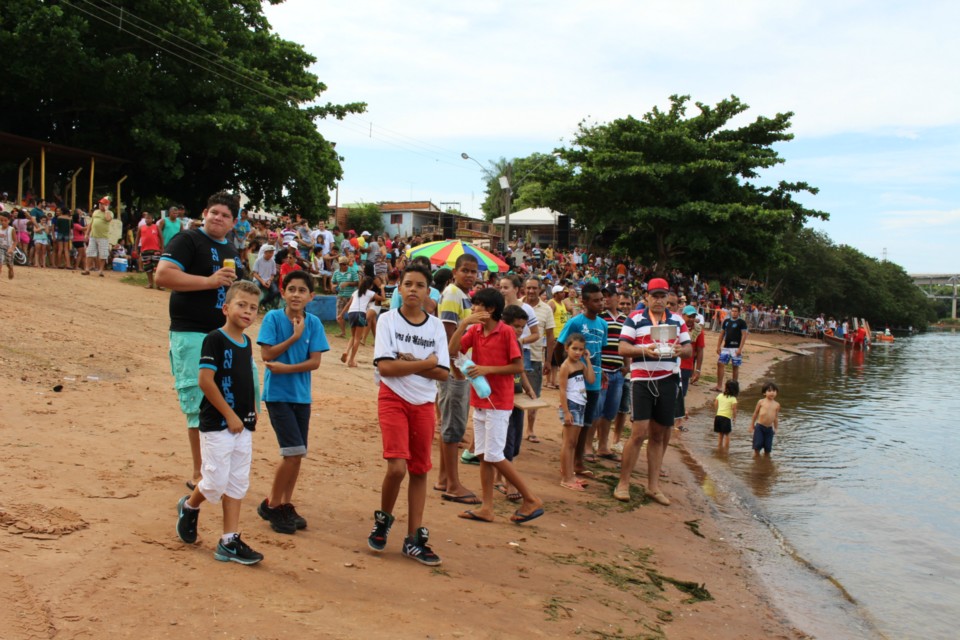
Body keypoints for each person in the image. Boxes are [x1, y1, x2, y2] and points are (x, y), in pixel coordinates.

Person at [156, 192, 242, 491]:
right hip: (191, 333)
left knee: (228, 400)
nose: (218, 218)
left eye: (225, 215)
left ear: (233, 222)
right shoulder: (188, 240)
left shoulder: (231, 248)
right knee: (199, 402)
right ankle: (199, 473)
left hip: (224, 337)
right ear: (204, 213)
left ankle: (217, 469)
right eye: (214, 212)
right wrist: (209, 281)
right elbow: (163, 275)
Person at [175, 280, 262, 565]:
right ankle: (189, 506)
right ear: (226, 308)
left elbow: (245, 378)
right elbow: (205, 380)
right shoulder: (214, 338)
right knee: (213, 481)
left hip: (243, 424)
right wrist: (229, 414)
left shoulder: (246, 342)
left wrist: (251, 410)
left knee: (237, 482)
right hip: (217, 424)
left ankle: (229, 541)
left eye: (253, 308)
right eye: (241, 305)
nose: (247, 312)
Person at [368, 263, 450, 566]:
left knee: (419, 470)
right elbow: (386, 368)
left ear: (428, 292)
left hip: (424, 403)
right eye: (407, 284)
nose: (413, 289)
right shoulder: (388, 320)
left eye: (419, 285)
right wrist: (424, 363)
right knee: (397, 468)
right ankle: (383, 519)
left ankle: (413, 538)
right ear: (398, 289)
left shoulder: (436, 326)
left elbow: (443, 373)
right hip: (393, 398)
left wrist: (410, 361)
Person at [449, 288, 544, 524]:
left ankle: (530, 498)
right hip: (481, 400)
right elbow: (452, 351)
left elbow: (518, 367)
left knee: (493, 454)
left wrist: (486, 369)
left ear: (490, 309)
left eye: (477, 305)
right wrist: (463, 325)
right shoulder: (476, 330)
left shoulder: (505, 333)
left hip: (498, 402)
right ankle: (487, 507)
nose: (473, 310)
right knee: (483, 455)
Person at [256, 270, 328, 534]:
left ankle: (284, 503)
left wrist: (285, 368)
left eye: (302, 290)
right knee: (292, 452)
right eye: (292, 289)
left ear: (311, 296)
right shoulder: (274, 318)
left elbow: (315, 362)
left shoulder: (315, 324)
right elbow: (267, 354)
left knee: (298, 454)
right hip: (278, 395)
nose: (296, 294)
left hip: (301, 396)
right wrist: (294, 337)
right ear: (283, 292)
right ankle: (273, 504)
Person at [613, 277, 691, 506]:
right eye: (654, 295)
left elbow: (688, 349)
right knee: (638, 433)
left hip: (668, 380)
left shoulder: (677, 320)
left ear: (668, 298)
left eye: (662, 295)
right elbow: (622, 348)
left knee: (658, 435)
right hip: (642, 379)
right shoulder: (635, 318)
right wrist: (644, 350)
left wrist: (679, 349)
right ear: (646, 296)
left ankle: (653, 487)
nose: (658, 300)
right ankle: (623, 483)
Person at [435, 254, 481, 504]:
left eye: (474, 271)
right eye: (465, 270)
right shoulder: (453, 293)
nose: (470, 275)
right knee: (453, 428)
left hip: (458, 369)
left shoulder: (461, 295)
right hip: (456, 370)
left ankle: (444, 478)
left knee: (451, 428)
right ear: (455, 271)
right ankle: (452, 484)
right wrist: (457, 372)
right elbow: (448, 335)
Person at [555, 283, 607, 478]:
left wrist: (602, 372)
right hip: (575, 383)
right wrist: (564, 370)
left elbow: (599, 351)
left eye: (601, 300)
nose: (600, 303)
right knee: (571, 424)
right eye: (595, 300)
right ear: (584, 302)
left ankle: (578, 461)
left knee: (586, 422)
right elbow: (560, 345)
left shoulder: (603, 324)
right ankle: (567, 463)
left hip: (593, 380)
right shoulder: (575, 322)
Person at [594, 287, 630, 460]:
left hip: (617, 371)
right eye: (604, 297)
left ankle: (602, 446)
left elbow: (627, 342)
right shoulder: (600, 318)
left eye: (609, 296)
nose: (606, 300)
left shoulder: (625, 319)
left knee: (609, 411)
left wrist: (627, 366)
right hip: (602, 369)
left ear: (617, 297)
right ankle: (589, 446)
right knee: (597, 409)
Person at [557, 333, 595, 491]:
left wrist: (588, 360)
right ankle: (566, 477)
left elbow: (591, 379)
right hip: (571, 405)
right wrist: (566, 411)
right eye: (574, 349)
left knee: (573, 443)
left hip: (580, 403)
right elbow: (562, 389)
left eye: (581, 349)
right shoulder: (566, 366)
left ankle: (570, 473)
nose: (578, 352)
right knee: (569, 443)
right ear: (567, 348)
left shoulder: (580, 364)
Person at [522, 277, 555, 443]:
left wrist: (548, 360)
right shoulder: (517, 304)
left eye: (534, 288)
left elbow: (550, 336)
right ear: (524, 288)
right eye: (528, 288)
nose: (531, 291)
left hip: (535, 357)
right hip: (515, 358)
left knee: (533, 394)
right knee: (514, 392)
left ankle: (530, 429)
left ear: (539, 290)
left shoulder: (546, 309)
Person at [341, 275, 382, 367]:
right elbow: (382, 299)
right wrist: (381, 288)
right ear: (370, 285)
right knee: (357, 338)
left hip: (351, 313)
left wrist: (341, 314)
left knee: (352, 336)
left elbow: (348, 304)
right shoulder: (371, 293)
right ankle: (351, 360)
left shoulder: (355, 292)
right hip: (361, 314)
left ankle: (346, 351)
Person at [714, 303, 749, 391]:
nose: (734, 313)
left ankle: (734, 387)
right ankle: (719, 385)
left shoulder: (742, 322)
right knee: (720, 363)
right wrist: (718, 346)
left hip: (736, 347)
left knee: (735, 366)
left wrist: (740, 349)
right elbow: (722, 334)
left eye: (735, 311)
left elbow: (744, 336)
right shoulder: (726, 321)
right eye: (732, 311)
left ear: (739, 312)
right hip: (726, 347)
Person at [82, 196, 113, 276]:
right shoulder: (95, 212)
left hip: (103, 237)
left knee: (103, 254)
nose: (100, 205)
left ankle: (101, 270)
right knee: (90, 252)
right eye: (100, 204)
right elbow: (91, 223)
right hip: (93, 236)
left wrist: (106, 210)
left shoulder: (109, 213)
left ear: (106, 205)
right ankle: (87, 269)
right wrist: (87, 234)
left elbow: (108, 219)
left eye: (102, 204)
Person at [332, 256, 359, 339]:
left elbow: (357, 283)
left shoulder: (352, 271)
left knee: (354, 316)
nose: (344, 265)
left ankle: (356, 334)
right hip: (340, 295)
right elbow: (333, 282)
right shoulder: (336, 273)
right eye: (342, 264)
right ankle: (343, 332)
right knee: (339, 316)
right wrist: (333, 287)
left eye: (345, 264)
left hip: (351, 296)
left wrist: (348, 283)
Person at [751, 382, 781, 457]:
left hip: (769, 429)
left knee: (768, 448)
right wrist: (752, 425)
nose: (772, 393)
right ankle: (756, 459)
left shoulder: (777, 404)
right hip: (760, 427)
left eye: (774, 391)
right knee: (757, 446)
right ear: (764, 393)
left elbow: (776, 417)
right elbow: (755, 414)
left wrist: (776, 428)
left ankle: (766, 463)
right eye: (769, 391)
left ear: (777, 392)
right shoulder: (761, 402)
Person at [135, 212, 163, 290]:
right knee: (148, 267)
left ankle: (159, 284)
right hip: (145, 250)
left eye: (149, 218)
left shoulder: (156, 227)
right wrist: (136, 248)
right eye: (146, 218)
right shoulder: (141, 227)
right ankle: (150, 283)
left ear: (152, 219)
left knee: (157, 267)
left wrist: (162, 248)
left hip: (155, 250)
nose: (147, 220)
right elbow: (137, 238)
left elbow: (161, 238)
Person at [713, 380, 739, 450]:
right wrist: (734, 418)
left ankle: (719, 447)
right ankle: (726, 449)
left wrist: (717, 412)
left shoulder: (720, 395)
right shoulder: (733, 399)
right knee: (727, 434)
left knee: (720, 434)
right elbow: (734, 409)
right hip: (726, 418)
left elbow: (715, 404)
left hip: (718, 417)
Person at [252, 244, 279, 309]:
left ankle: (263, 303)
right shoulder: (258, 260)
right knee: (256, 288)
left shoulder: (272, 262)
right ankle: (253, 304)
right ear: (265, 252)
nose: (271, 254)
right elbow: (254, 273)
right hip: (258, 279)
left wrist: (269, 281)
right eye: (270, 252)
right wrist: (262, 281)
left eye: (272, 253)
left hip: (268, 279)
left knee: (275, 291)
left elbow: (273, 274)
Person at [0, 210, 16, 280]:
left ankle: (11, 269)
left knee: (9, 264)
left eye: (5, 220)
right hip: (0, 248)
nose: (3, 222)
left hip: (8, 249)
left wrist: (12, 248)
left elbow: (15, 241)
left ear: (9, 220)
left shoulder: (11, 229)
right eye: (1, 220)